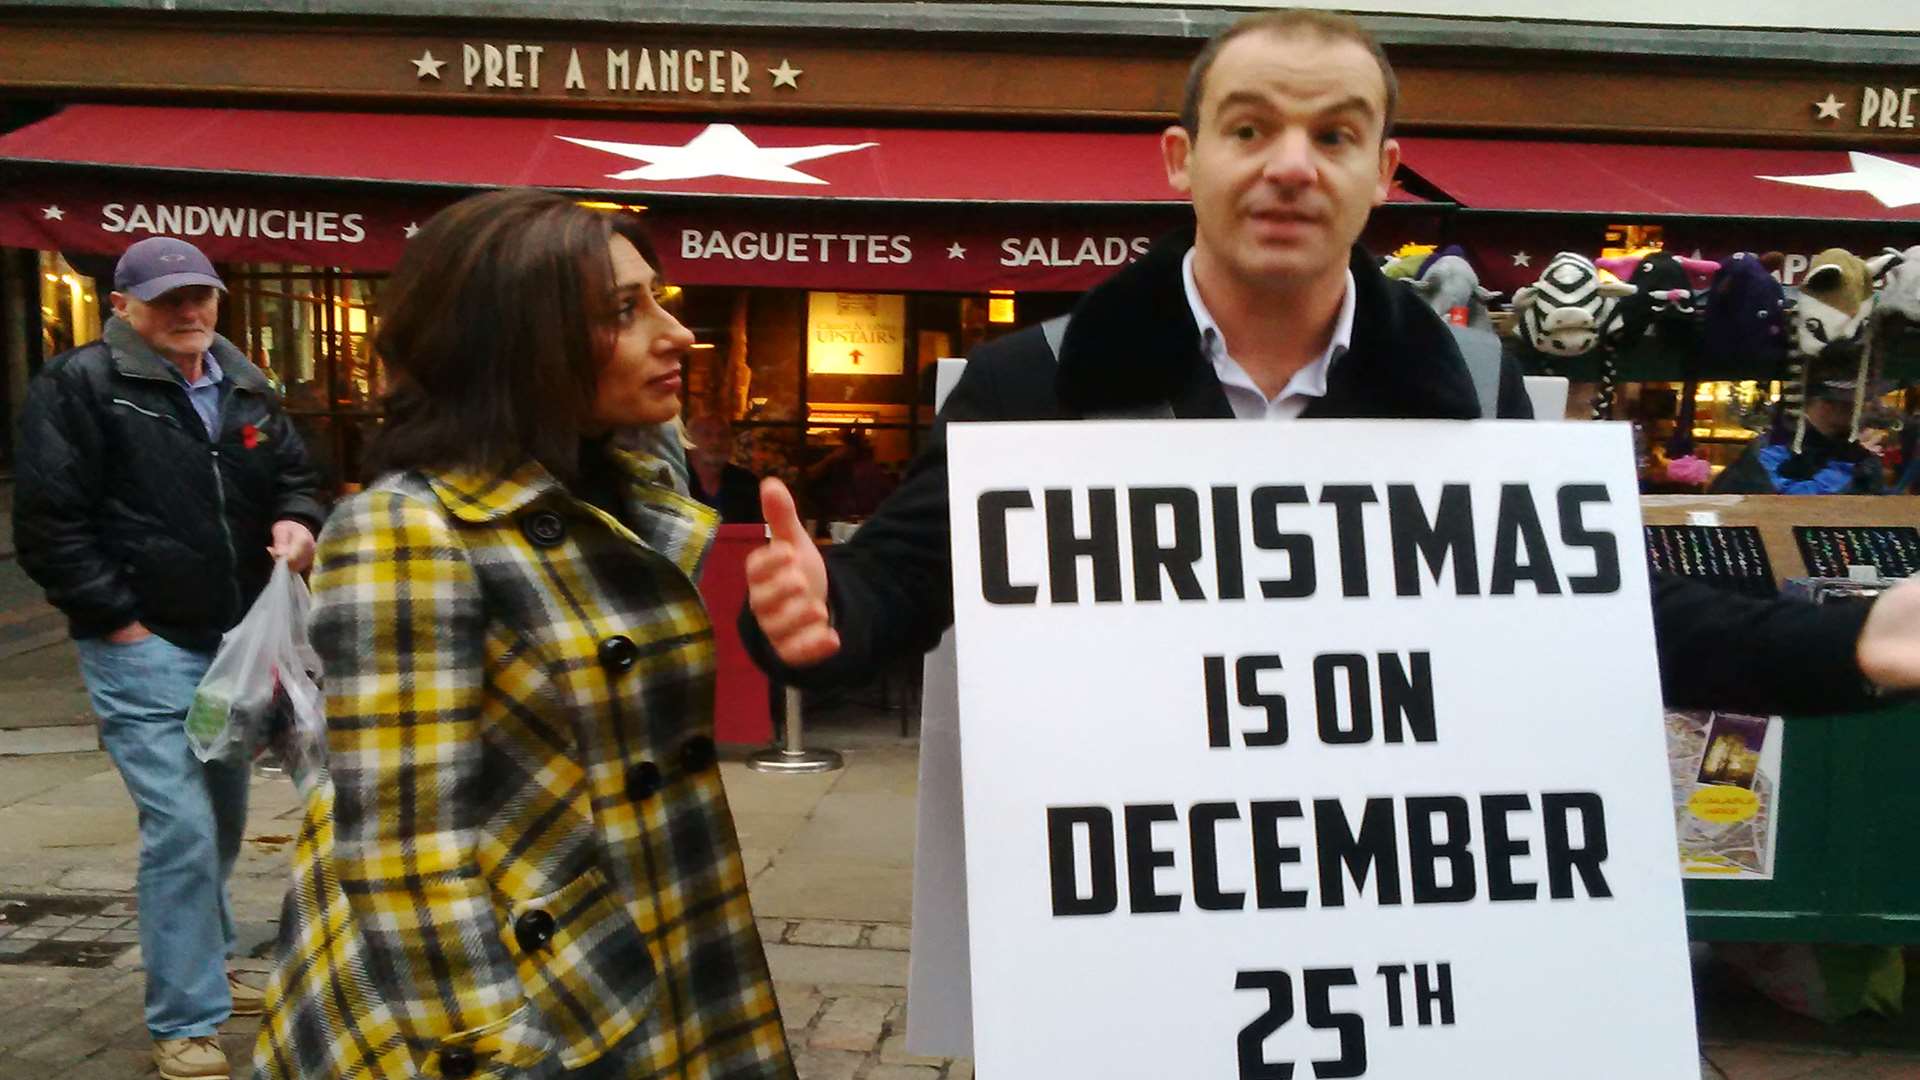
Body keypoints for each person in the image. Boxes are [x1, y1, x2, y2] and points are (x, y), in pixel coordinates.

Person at [742, 9, 1920, 714]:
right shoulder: (1032, 384)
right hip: (1113, 959)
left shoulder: (1479, 393)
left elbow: (1607, 615)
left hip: (1375, 942)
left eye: (1335, 136)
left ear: (1382, 169)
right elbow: (892, 593)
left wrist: (1852, 641)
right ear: (1180, 158)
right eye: (1250, 129)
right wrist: (812, 614)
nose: (1292, 167)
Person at [252, 189, 794, 1080]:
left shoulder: (619, 483)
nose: (675, 335)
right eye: (624, 311)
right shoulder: (409, 527)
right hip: (514, 993)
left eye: (659, 299)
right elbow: (401, 849)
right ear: (515, 343)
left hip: (636, 933)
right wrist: (490, 1051)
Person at [13, 236, 324, 1080]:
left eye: (200, 297)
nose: (188, 313)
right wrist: (118, 622)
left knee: (219, 819)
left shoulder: (246, 383)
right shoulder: (78, 387)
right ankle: (185, 1018)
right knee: (181, 828)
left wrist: (299, 523)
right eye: (166, 300)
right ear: (123, 306)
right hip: (144, 647)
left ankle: (206, 958)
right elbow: (49, 521)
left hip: (234, 642)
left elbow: (297, 474)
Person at [686, 414, 765, 523]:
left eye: (722, 435)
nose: (716, 442)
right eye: (707, 435)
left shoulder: (747, 483)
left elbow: (759, 530)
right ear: (689, 442)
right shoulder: (676, 482)